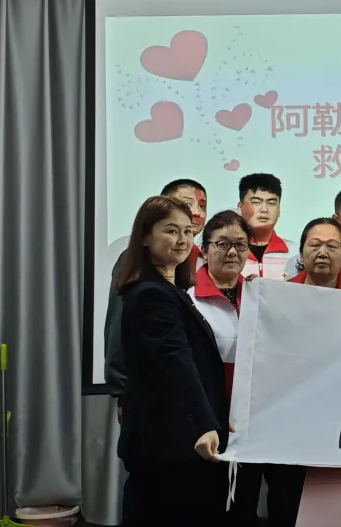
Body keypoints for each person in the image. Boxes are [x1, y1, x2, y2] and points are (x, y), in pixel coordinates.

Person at [115, 196, 229, 527]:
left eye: (188, 231)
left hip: (176, 442)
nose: (182, 240)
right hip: (167, 445)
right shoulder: (150, 293)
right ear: (145, 237)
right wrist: (204, 423)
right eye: (171, 231)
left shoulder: (171, 290)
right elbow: (175, 361)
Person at [271, 217, 341, 527]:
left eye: (332, 246)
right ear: (301, 252)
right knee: (287, 504)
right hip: (289, 427)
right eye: (315, 245)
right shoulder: (277, 298)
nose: (323, 252)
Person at [105, 178, 207, 405]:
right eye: (186, 204)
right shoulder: (136, 265)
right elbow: (118, 326)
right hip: (154, 395)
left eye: (202, 206)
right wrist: (122, 389)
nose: (196, 212)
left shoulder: (198, 259)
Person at [187, 210, 259, 526]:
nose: (232, 252)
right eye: (223, 243)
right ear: (204, 249)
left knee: (245, 505)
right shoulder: (189, 300)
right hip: (207, 425)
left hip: (252, 426)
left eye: (240, 244)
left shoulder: (260, 296)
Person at [237, 173, 294, 279]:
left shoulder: (295, 254)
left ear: (279, 209)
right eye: (256, 202)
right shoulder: (228, 252)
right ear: (240, 208)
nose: (264, 210)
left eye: (271, 203)